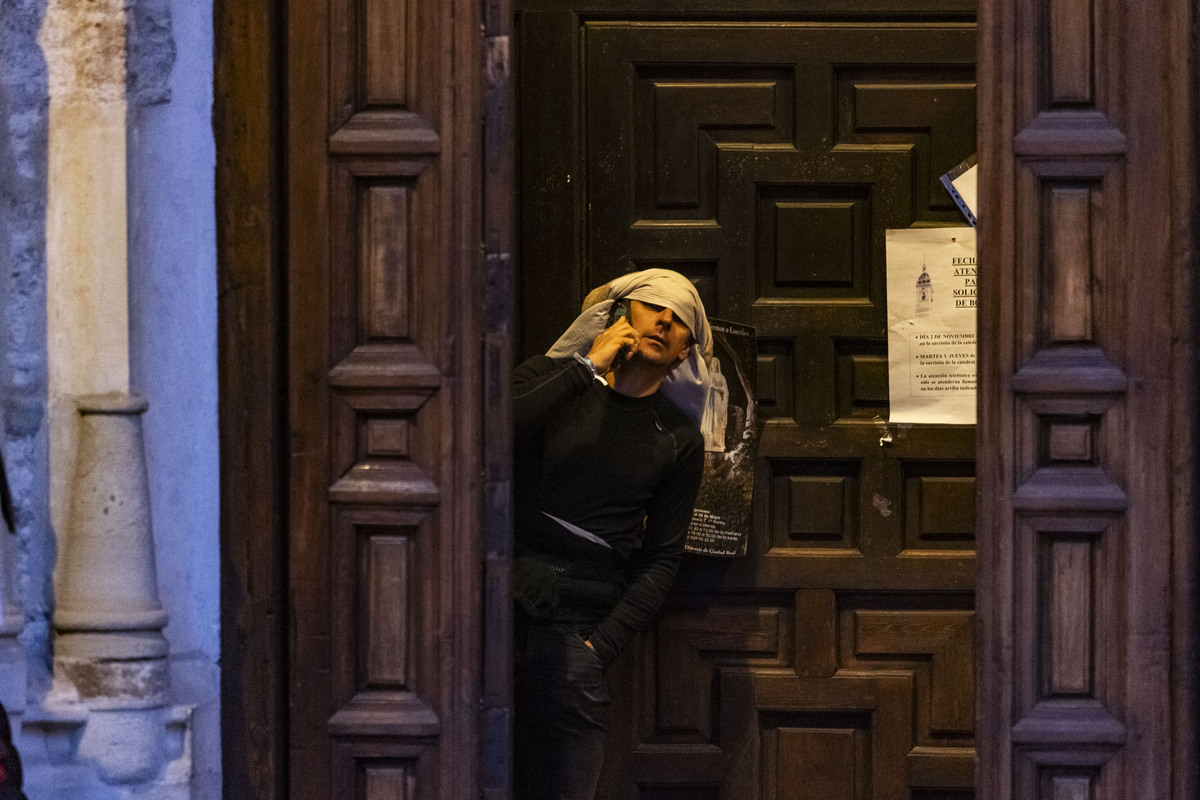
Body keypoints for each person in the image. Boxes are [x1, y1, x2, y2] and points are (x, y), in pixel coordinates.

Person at [512, 268, 710, 800]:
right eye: (653, 307)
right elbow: (482, 438)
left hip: (575, 630)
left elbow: (662, 559)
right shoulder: (548, 379)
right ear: (621, 315)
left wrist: (599, 647)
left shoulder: (677, 441)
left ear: (685, 350)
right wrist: (586, 368)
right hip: (493, 612)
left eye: (680, 319)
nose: (665, 320)